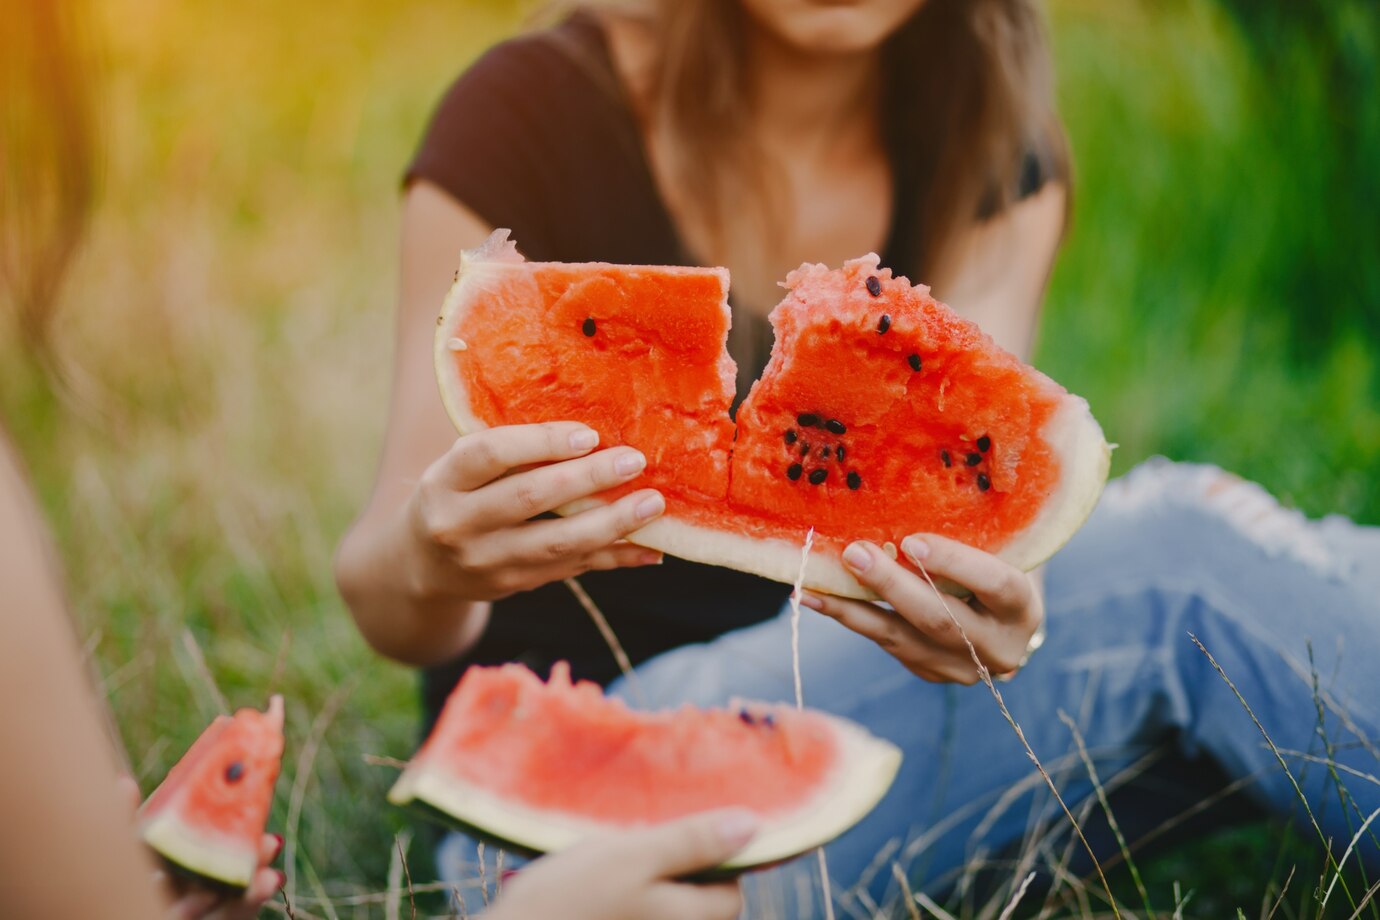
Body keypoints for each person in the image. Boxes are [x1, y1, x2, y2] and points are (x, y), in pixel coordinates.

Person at [334, 0, 1380, 912]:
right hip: (563, 842)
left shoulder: (994, 155)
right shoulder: (523, 113)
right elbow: (384, 597)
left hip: (862, 744)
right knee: (1181, 565)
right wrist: (431, 557)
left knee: (1273, 570)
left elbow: (966, 511)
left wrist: (999, 615)